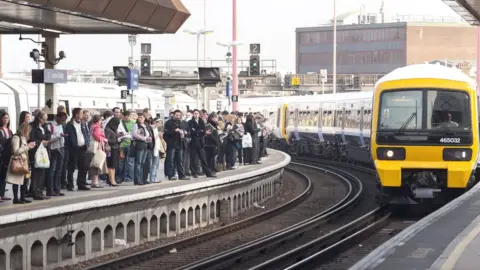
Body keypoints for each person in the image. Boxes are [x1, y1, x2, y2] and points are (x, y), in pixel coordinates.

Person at [7, 122, 36, 204]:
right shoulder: (16, 138)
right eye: (28, 130)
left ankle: (22, 197)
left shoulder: (23, 138)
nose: (29, 132)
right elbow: (16, 151)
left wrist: (29, 147)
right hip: (18, 162)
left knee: (25, 181)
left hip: (24, 162)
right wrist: (28, 146)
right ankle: (16, 198)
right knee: (16, 181)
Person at [65, 108, 90, 191]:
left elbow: (86, 133)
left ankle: (81, 184)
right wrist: (70, 146)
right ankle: (70, 184)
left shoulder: (83, 123)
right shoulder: (69, 125)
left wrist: (87, 143)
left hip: (83, 147)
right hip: (73, 149)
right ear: (76, 114)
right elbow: (67, 137)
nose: (83, 115)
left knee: (84, 166)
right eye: (81, 113)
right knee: (71, 167)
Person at [29, 111, 51, 199]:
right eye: (44, 119)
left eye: (46, 119)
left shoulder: (45, 126)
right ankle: (35, 192)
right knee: (36, 172)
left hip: (44, 151)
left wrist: (48, 139)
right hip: (35, 151)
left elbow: (48, 134)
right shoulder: (33, 127)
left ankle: (40, 191)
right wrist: (40, 142)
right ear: (39, 118)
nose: (45, 121)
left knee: (43, 171)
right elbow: (31, 139)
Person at [188, 109, 216, 178]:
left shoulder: (201, 121)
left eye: (197, 113)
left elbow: (203, 130)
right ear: (193, 114)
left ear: (199, 114)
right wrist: (201, 132)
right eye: (194, 113)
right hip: (194, 143)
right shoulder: (190, 122)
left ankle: (208, 173)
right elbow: (192, 132)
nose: (196, 114)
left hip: (201, 143)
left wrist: (199, 132)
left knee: (203, 158)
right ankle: (194, 173)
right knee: (193, 159)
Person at [164, 110, 190, 181]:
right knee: (171, 160)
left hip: (180, 143)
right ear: (174, 115)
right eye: (176, 115)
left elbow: (188, 132)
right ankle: (171, 175)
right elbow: (165, 133)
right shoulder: (169, 123)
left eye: (179, 115)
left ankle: (181, 175)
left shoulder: (183, 123)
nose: (178, 117)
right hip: (172, 144)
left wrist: (184, 133)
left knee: (180, 160)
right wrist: (174, 131)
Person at [47, 112, 67, 197]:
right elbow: (49, 138)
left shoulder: (61, 126)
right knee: (52, 170)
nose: (63, 122)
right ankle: (50, 190)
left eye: (64, 120)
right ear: (57, 117)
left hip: (61, 148)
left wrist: (62, 136)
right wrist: (57, 137)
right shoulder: (50, 125)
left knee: (59, 170)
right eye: (62, 120)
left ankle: (57, 189)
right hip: (53, 149)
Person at [132, 113, 151, 185]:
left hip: (146, 144)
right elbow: (134, 134)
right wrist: (143, 138)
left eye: (142, 117)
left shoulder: (145, 125)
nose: (140, 119)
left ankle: (142, 179)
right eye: (139, 117)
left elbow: (148, 133)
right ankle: (137, 180)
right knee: (138, 163)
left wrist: (148, 138)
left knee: (142, 163)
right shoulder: (136, 125)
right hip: (139, 144)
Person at [89, 115, 108, 188]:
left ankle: (94, 182)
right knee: (96, 164)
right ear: (98, 120)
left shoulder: (92, 126)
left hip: (93, 146)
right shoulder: (97, 127)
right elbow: (96, 136)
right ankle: (95, 182)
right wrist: (104, 139)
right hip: (97, 147)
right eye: (101, 120)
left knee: (94, 164)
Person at [0, 111, 13, 202]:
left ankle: (2, 194)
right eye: (4, 118)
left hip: (7, 156)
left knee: (4, 175)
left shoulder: (9, 130)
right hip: (1, 154)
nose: (5, 120)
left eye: (7, 118)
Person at [119, 110, 135, 182]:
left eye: (127, 117)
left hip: (130, 144)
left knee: (129, 162)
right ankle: (121, 177)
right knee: (121, 162)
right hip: (122, 145)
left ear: (130, 116)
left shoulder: (134, 123)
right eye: (124, 117)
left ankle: (130, 177)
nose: (126, 118)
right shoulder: (120, 123)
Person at [105, 117, 121, 186]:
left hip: (115, 148)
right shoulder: (108, 130)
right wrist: (116, 140)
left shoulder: (114, 129)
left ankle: (112, 179)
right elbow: (107, 140)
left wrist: (121, 139)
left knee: (114, 165)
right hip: (111, 150)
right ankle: (112, 181)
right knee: (111, 165)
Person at [149, 117, 163, 183]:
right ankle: (152, 178)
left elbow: (159, 139)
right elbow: (152, 138)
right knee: (154, 164)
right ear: (155, 122)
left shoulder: (157, 129)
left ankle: (154, 177)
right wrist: (158, 134)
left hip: (157, 147)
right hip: (153, 148)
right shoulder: (151, 128)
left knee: (156, 164)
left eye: (160, 123)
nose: (160, 124)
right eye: (159, 122)